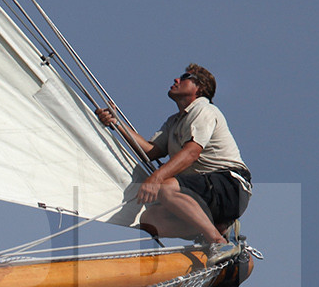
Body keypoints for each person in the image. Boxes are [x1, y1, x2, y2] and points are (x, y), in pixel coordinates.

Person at [97, 64, 251, 246]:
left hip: (231, 186)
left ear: (199, 87)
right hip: (205, 191)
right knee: (150, 219)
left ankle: (218, 242)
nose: (176, 80)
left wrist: (156, 178)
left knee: (165, 187)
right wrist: (117, 123)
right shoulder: (175, 121)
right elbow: (151, 151)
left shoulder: (204, 110)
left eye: (184, 77)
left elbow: (192, 152)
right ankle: (219, 228)